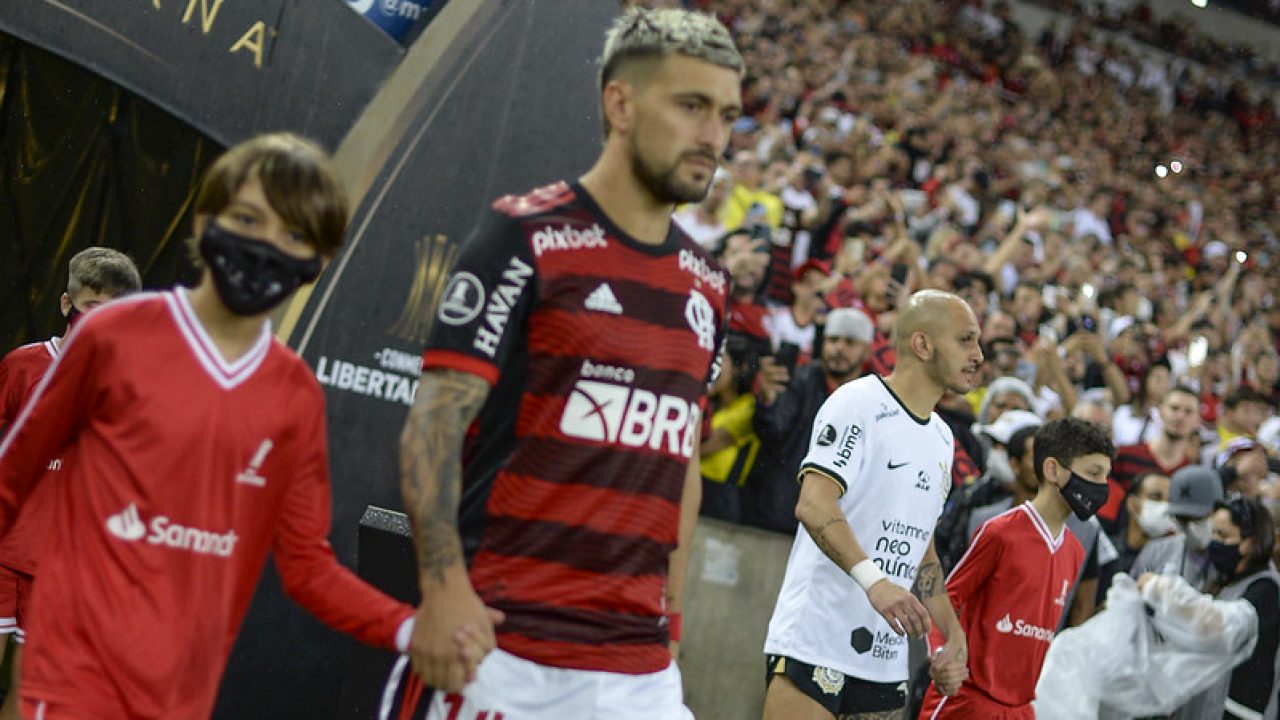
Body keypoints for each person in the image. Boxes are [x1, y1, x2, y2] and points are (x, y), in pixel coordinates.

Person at [396, 8, 742, 718]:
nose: (714, 135)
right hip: (501, 650)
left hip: (639, 672)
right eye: (692, 106)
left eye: (728, 115)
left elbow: (678, 468)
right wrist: (440, 586)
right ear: (620, 102)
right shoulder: (524, 237)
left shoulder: (708, 284)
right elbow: (432, 424)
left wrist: (672, 623)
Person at [0, 133, 418, 720]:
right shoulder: (110, 337)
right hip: (74, 678)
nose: (265, 245)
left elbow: (307, 567)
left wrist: (411, 629)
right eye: (248, 219)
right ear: (205, 221)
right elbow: (9, 480)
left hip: (179, 697)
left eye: (293, 233)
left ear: (319, 259)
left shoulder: (293, 393)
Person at [762, 290, 983, 719]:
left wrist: (950, 632)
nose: (977, 355)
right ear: (922, 344)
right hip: (816, 639)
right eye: (965, 340)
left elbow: (921, 547)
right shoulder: (858, 403)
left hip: (883, 660)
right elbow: (813, 503)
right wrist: (876, 582)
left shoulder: (942, 436)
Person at [0, 247, 141, 720]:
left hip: (59, 569)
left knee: (23, 697)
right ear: (66, 304)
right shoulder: (21, 366)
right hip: (2, 551)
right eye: (93, 308)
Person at [919, 417, 1114, 719]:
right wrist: (941, 655)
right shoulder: (1000, 532)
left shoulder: (1075, 549)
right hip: (967, 701)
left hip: (1022, 708)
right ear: (1052, 470)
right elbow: (944, 599)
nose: (1102, 488)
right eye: (1093, 474)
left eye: (1105, 477)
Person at [1144, 493, 1279, 719]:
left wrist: (1166, 592)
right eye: (1213, 533)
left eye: (1224, 536)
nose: (1214, 542)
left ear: (1251, 542)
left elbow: (1221, 623)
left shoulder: (1266, 590)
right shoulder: (1222, 582)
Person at [746, 307, 874, 533]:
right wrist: (766, 402)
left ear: (867, 351)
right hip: (776, 511)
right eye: (833, 340)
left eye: (849, 342)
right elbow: (773, 432)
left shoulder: (873, 398)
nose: (838, 348)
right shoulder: (799, 378)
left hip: (834, 521)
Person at [1130, 465, 1224, 591]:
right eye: (1182, 519)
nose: (1190, 526)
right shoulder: (1156, 551)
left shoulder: (1236, 557)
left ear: (1219, 511)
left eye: (1197, 518)